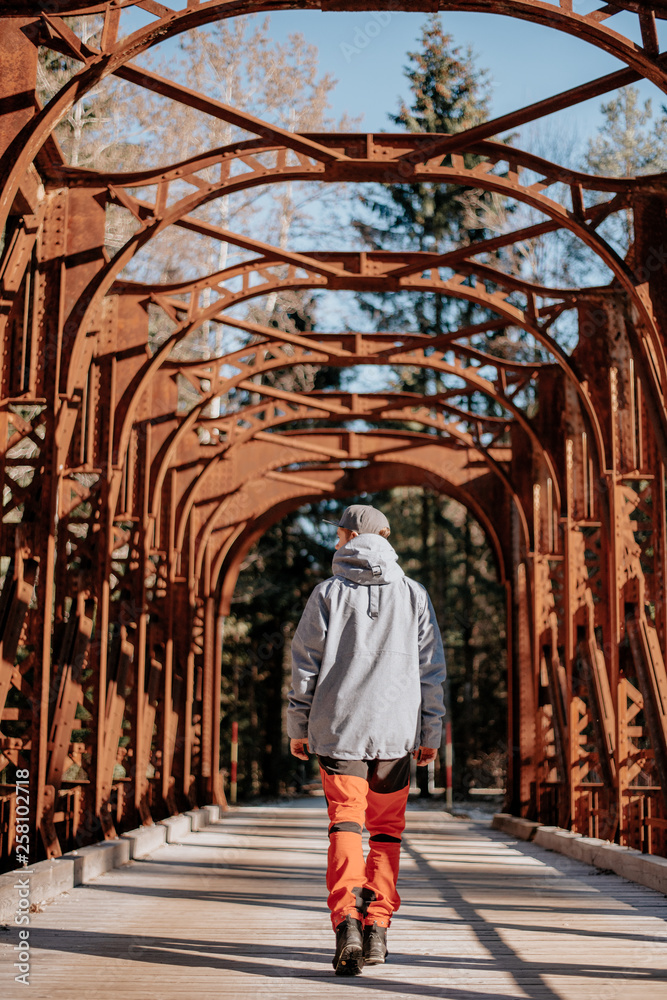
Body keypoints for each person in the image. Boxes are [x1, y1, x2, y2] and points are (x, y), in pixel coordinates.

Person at [287, 503, 446, 977]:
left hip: (338, 733)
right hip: (396, 735)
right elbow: (431, 669)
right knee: (385, 833)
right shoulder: (414, 594)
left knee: (345, 827)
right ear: (385, 535)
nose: (336, 542)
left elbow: (304, 668)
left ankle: (346, 927)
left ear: (349, 537)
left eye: (338, 535)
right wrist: (430, 729)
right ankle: (377, 926)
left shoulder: (326, 593)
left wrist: (298, 726)